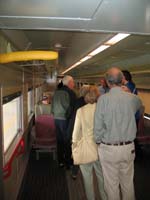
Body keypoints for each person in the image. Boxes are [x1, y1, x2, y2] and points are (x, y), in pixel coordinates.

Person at [94, 67, 142, 200]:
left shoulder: (102, 100)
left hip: (109, 148)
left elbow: (98, 126)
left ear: (108, 83)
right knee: (128, 184)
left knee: (111, 186)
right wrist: (128, 92)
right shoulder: (132, 98)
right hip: (128, 148)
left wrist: (98, 142)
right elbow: (140, 106)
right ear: (122, 81)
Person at [72, 86, 107, 200]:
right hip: (101, 148)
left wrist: (74, 146)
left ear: (85, 97)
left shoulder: (80, 111)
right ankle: (104, 197)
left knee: (87, 179)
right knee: (102, 178)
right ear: (98, 96)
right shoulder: (103, 110)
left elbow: (75, 134)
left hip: (86, 149)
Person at [51, 75, 77, 168]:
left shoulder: (57, 92)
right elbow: (73, 108)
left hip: (56, 119)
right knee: (67, 140)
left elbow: (53, 105)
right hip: (66, 120)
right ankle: (68, 162)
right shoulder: (71, 93)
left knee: (59, 140)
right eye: (73, 82)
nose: (74, 84)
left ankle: (60, 160)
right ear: (69, 83)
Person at [67, 84, 90, 178]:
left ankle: (74, 172)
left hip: (77, 129)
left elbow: (71, 116)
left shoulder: (76, 102)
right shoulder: (91, 103)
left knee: (76, 151)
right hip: (87, 131)